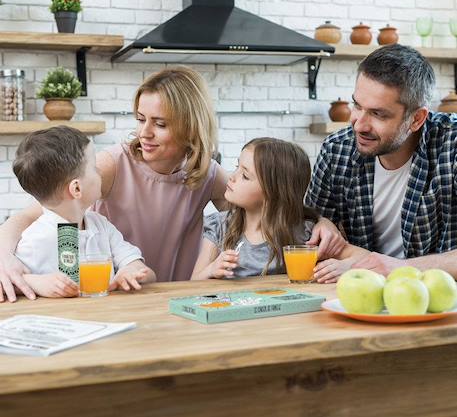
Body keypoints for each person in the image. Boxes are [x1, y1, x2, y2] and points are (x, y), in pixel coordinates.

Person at [0, 66, 344, 302]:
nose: (144, 133)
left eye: (160, 124)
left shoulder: (205, 172)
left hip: (176, 297)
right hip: (118, 296)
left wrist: (319, 221)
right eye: (140, 120)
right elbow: (31, 217)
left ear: (189, 126)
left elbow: (264, 201)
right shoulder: (112, 165)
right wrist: (5, 258)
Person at [306, 44, 457, 281]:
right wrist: (321, 223)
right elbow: (309, 223)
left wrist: (401, 269)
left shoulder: (452, 146)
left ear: (417, 119)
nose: (358, 124)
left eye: (378, 114)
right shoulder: (337, 150)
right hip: (358, 296)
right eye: (357, 105)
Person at [12, 126, 155, 298]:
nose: (100, 171)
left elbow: (144, 270)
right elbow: (8, 282)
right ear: (77, 188)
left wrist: (132, 271)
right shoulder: (36, 239)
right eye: (94, 167)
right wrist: (34, 283)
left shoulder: (102, 226)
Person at [192, 138, 364, 280]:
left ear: (272, 192)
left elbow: (365, 257)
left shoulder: (306, 234)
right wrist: (211, 270)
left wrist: (344, 266)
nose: (232, 177)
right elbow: (193, 283)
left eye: (245, 175)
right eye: (237, 167)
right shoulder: (220, 226)